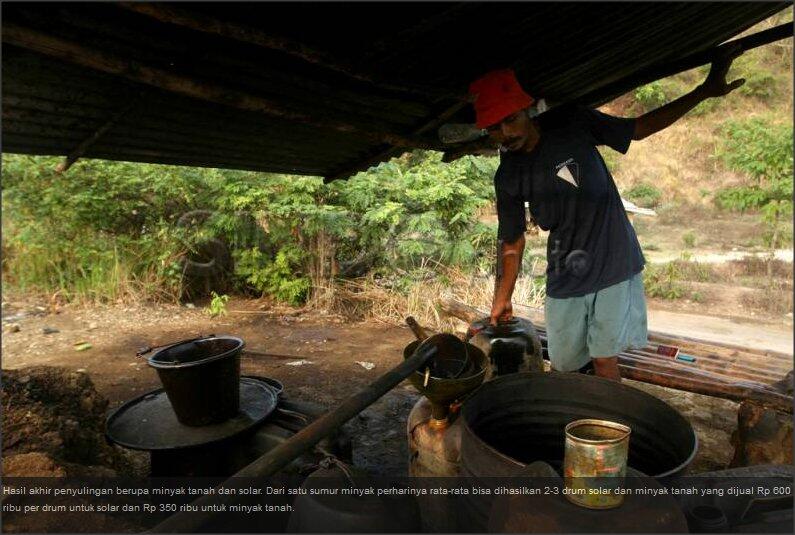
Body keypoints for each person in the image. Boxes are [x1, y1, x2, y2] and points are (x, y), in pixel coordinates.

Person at [468, 49, 745, 380]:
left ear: (528, 110)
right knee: (564, 366)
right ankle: (571, 422)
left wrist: (703, 91)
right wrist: (502, 299)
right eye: (494, 129)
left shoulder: (572, 122)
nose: (505, 134)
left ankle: (612, 429)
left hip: (614, 259)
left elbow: (638, 129)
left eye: (511, 119)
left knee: (603, 359)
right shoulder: (508, 175)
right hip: (566, 269)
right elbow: (512, 242)